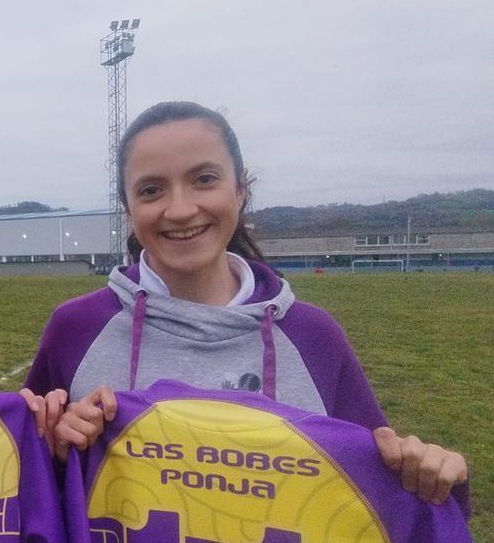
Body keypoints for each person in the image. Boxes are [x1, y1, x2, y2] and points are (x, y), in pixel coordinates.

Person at [25, 101, 469, 509]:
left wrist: (433, 477)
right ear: (128, 209)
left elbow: (375, 493)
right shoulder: (75, 328)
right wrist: (57, 451)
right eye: (151, 190)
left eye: (203, 179)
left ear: (240, 190)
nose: (179, 209)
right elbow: (17, 485)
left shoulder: (313, 336)